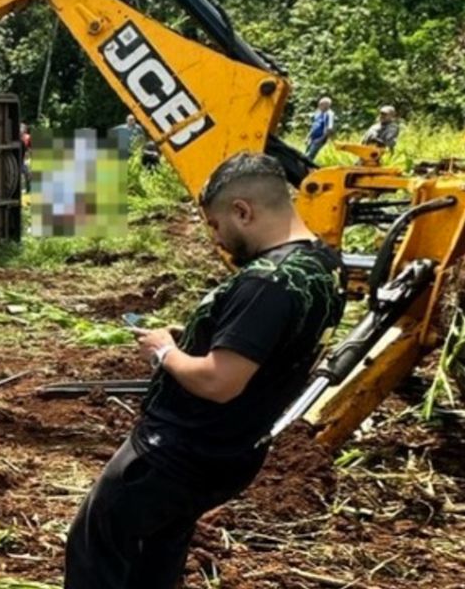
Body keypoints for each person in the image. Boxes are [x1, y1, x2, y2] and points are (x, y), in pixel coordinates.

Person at [64, 153, 343, 589]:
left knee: (96, 550)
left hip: (175, 452)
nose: (218, 238)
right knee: (157, 551)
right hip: (230, 451)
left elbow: (219, 381)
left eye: (216, 225)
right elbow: (267, 346)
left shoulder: (267, 282)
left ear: (242, 211)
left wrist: (163, 351)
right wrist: (198, 336)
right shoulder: (322, 266)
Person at [304, 97, 336, 161]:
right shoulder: (318, 112)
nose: (319, 106)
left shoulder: (329, 114)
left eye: (321, 104)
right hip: (312, 138)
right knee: (304, 155)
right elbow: (314, 126)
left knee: (309, 156)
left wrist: (320, 139)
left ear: (327, 105)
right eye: (319, 104)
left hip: (319, 139)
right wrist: (308, 137)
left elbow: (329, 129)